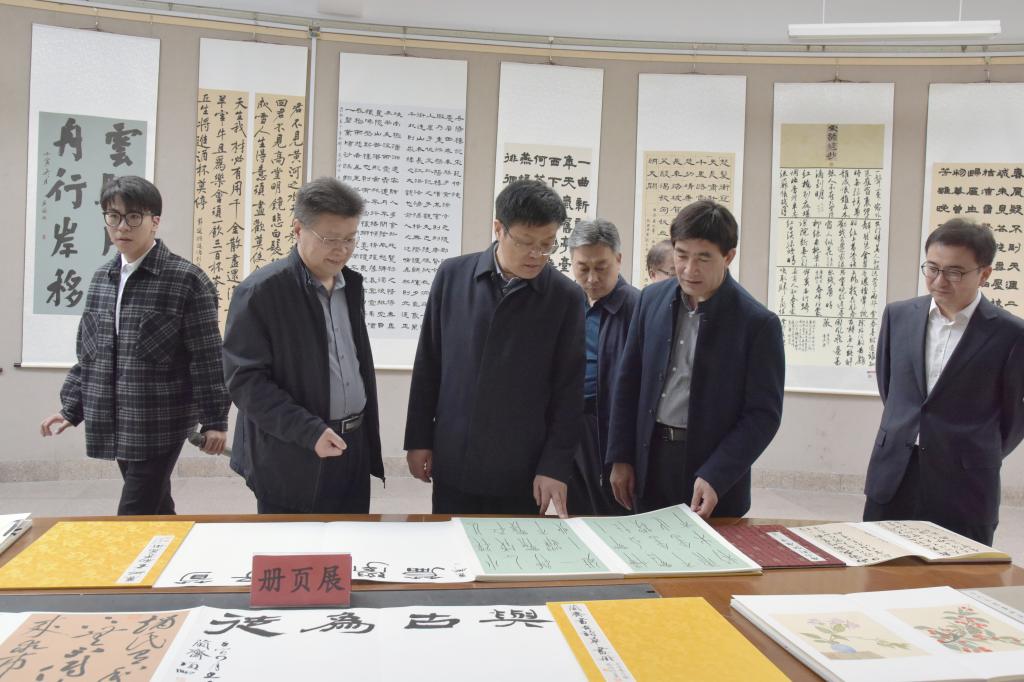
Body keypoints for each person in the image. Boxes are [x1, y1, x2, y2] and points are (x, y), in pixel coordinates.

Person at [40, 175, 229, 515]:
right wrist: (71, 408)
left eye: (133, 217)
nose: (122, 226)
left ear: (155, 220)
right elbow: (91, 354)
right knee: (156, 509)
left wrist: (215, 419)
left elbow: (207, 357)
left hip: (162, 420)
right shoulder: (102, 279)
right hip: (118, 418)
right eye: (113, 216)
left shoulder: (187, 280)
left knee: (132, 515)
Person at [405, 179, 585, 517]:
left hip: (523, 467)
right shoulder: (452, 276)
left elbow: (569, 391)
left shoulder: (565, 298)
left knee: (514, 547)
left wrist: (554, 465)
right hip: (455, 456)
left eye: (547, 244)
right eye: (526, 242)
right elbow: (429, 362)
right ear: (499, 229)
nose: (537, 255)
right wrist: (418, 439)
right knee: (452, 542)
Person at [606, 200, 784, 518]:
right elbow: (628, 380)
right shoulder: (650, 300)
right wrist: (621, 455)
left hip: (711, 469)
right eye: (682, 255)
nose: (689, 269)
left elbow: (762, 415)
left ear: (728, 256)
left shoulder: (757, 323)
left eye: (703, 258)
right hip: (650, 459)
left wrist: (718, 474)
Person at [223, 177, 384, 514]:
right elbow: (245, 381)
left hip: (352, 446)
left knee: (352, 540)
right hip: (292, 451)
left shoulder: (351, 286)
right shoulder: (262, 292)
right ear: (298, 229)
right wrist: (309, 431)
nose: (342, 249)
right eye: (330, 239)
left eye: (350, 238)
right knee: (294, 544)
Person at [864, 219, 1024, 545]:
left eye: (954, 272)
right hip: (894, 474)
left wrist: (975, 451)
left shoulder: (1010, 334)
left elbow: (1014, 416)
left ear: (984, 274)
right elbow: (890, 387)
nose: (939, 280)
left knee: (958, 573)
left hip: (965, 484)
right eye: (932, 268)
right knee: (879, 566)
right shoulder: (898, 316)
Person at [567, 219, 639, 515]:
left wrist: (624, 454)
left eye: (601, 267)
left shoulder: (638, 307)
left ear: (618, 260)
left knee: (613, 511)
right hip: (568, 424)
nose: (592, 278)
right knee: (573, 513)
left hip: (609, 426)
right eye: (583, 268)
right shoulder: (566, 302)